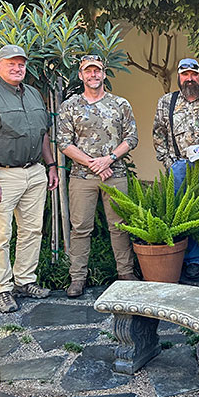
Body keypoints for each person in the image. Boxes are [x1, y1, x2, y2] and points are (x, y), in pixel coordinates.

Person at [0, 44, 58, 313]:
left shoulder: (32, 94)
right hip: (1, 175)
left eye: (21, 64)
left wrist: (50, 165)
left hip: (34, 173)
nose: (17, 68)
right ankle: (3, 289)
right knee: (1, 235)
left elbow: (42, 135)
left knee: (31, 231)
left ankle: (25, 281)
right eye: (11, 63)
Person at [57, 54, 139, 298]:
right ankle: (77, 278)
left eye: (97, 70)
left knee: (120, 226)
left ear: (104, 74)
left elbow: (131, 138)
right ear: (81, 75)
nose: (93, 75)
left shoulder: (120, 104)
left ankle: (125, 273)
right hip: (82, 178)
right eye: (88, 71)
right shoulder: (70, 106)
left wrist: (109, 159)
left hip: (116, 174)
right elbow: (63, 143)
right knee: (81, 228)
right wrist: (94, 164)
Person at [152, 58, 199, 284]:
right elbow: (158, 134)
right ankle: (193, 261)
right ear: (179, 78)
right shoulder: (167, 102)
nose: (190, 78)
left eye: (194, 74)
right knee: (185, 215)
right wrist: (170, 163)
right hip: (181, 167)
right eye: (185, 74)